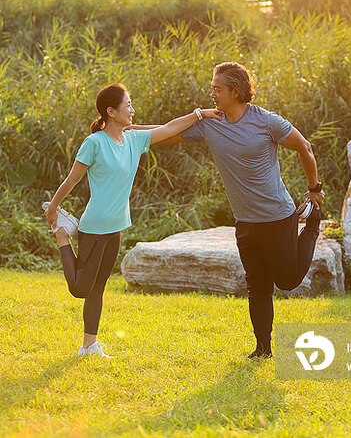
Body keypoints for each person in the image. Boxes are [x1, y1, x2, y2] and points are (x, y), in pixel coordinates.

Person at [131, 62, 324, 359]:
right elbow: (163, 134)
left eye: (217, 89)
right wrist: (124, 130)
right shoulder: (211, 123)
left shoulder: (267, 122)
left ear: (234, 91)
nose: (212, 94)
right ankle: (263, 348)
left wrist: (314, 188)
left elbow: (305, 147)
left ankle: (312, 224)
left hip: (277, 216)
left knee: (287, 281)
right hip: (245, 222)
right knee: (257, 286)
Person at [43, 82, 221, 358]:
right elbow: (73, 178)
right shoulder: (94, 143)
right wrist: (54, 206)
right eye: (128, 105)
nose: (133, 110)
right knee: (80, 288)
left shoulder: (134, 140)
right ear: (111, 112)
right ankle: (63, 237)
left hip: (115, 226)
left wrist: (200, 114)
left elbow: (169, 128)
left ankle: (88, 345)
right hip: (93, 227)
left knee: (98, 288)